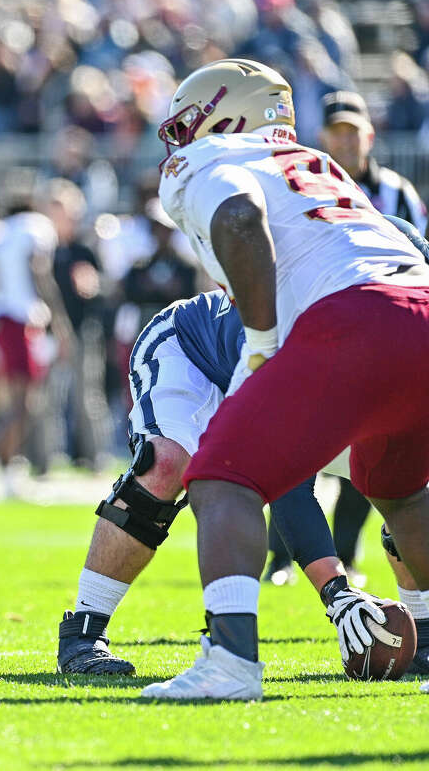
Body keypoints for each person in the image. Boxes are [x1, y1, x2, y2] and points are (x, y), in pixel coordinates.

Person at [143, 58, 429, 700]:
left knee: (222, 475)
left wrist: (262, 347)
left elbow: (241, 220)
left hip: (355, 317)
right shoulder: (317, 164)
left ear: (227, 115)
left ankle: (232, 663)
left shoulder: (213, 158)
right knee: (401, 492)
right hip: (420, 307)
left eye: (190, 122)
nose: (182, 139)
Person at [57, 283, 427, 677]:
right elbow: (288, 486)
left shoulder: (406, 325)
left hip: (315, 363)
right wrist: (337, 594)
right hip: (194, 355)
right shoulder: (305, 331)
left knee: (406, 487)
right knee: (166, 465)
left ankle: (424, 632)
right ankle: (85, 628)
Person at [300, 90, 429, 585]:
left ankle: (347, 558)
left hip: (387, 334)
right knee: (294, 452)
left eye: (352, 132)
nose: (345, 142)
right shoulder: (309, 188)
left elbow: (419, 253)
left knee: (373, 454)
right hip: (325, 330)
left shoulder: (396, 193)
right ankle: (291, 562)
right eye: (336, 133)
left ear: (368, 136)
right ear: (324, 139)